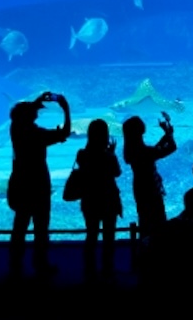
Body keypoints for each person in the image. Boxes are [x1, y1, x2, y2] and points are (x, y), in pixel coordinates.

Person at [7, 91, 71, 278]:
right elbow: (65, 132)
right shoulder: (37, 134)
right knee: (41, 227)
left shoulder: (15, 129)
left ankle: (14, 262)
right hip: (38, 184)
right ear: (31, 116)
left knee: (20, 225)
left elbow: (21, 115)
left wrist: (35, 102)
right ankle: (40, 263)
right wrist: (66, 109)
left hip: (20, 182)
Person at [75, 118, 122, 281]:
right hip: (108, 199)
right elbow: (117, 173)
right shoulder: (108, 156)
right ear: (106, 136)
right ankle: (108, 268)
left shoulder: (82, 154)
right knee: (109, 237)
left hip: (90, 199)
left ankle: (89, 269)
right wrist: (112, 153)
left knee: (91, 234)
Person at [123, 112, 176, 237]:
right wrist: (169, 134)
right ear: (141, 130)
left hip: (139, 187)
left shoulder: (132, 151)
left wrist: (166, 135)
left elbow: (155, 149)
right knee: (158, 220)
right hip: (151, 188)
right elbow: (172, 147)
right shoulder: (146, 152)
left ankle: (145, 247)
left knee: (145, 219)